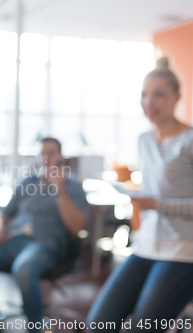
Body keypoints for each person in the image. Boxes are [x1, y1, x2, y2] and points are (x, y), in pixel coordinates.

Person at [86, 58, 193, 332]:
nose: (149, 101)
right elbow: (152, 190)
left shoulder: (189, 142)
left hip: (183, 250)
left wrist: (158, 204)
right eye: (144, 94)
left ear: (177, 96)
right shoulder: (144, 140)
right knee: (98, 324)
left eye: (159, 94)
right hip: (147, 243)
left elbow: (161, 199)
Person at [0, 137, 89, 333]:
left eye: (50, 153)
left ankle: (35, 329)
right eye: (42, 153)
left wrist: (59, 190)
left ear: (60, 157)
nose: (45, 157)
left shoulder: (72, 186)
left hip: (44, 245)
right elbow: (4, 213)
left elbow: (77, 227)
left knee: (23, 269)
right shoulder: (27, 181)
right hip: (12, 240)